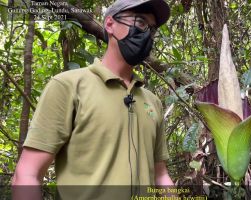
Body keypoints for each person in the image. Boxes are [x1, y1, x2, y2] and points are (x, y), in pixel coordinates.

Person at [12, 0, 174, 199]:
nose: (147, 33)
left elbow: (161, 175)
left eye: (152, 28)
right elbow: (27, 174)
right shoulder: (68, 86)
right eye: (140, 22)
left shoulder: (153, 102)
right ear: (109, 24)